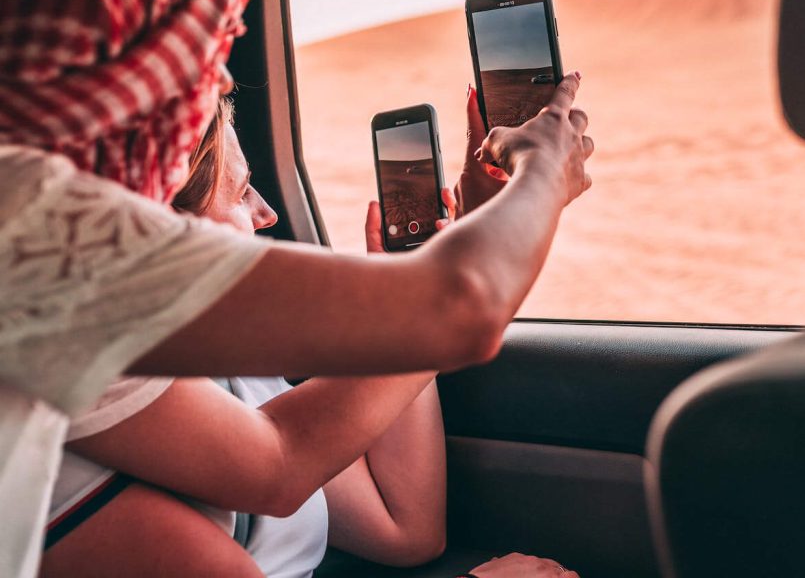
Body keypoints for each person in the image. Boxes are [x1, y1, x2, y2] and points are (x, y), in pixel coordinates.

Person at [0, 0, 593, 578]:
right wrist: (544, 171)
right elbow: (459, 307)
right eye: (188, 54)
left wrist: (451, 247)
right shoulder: (27, 228)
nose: (214, 77)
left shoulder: (149, 345)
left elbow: (399, 526)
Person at [43, 97, 581, 578]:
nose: (267, 213)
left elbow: (403, 528)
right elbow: (279, 464)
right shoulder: (63, 367)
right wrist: (542, 176)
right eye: (238, 191)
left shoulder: (228, 371)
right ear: (163, 226)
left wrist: (409, 297)